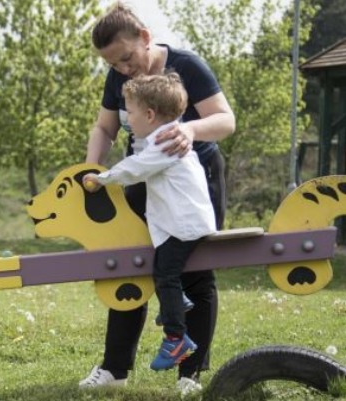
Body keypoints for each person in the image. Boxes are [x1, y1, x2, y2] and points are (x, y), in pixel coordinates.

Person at [79, 2, 235, 395]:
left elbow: (225, 119)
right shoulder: (118, 77)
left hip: (192, 183)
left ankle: (190, 375)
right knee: (127, 268)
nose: (122, 69)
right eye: (112, 64)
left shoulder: (186, 66)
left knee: (194, 272)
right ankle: (115, 369)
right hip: (143, 180)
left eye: (126, 58)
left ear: (145, 38)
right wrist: (89, 171)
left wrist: (191, 130)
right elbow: (105, 128)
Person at [83, 73, 217, 372]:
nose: (127, 119)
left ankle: (176, 338)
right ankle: (175, 303)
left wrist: (101, 178)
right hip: (185, 222)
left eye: (130, 112)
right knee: (164, 272)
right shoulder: (165, 138)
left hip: (184, 225)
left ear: (149, 115)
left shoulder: (163, 143)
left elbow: (136, 168)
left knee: (165, 274)